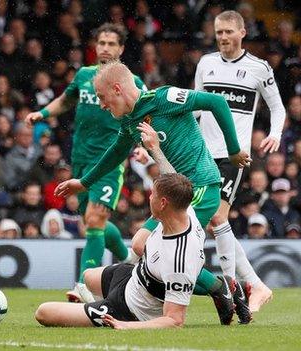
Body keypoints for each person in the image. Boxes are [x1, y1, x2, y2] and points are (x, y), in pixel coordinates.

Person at [54, 61, 252, 325]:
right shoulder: (129, 121)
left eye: (102, 97)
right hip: (173, 194)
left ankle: (219, 288)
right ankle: (221, 287)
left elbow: (216, 102)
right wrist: (85, 182)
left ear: (117, 89)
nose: (101, 105)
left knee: (142, 245)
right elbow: (116, 152)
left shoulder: (165, 98)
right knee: (144, 247)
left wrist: (233, 149)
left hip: (201, 187)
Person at [25, 23, 142, 302]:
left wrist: (142, 146)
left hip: (110, 161)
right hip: (81, 160)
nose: (105, 48)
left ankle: (85, 286)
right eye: (101, 42)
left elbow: (145, 112)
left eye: (111, 43)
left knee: (95, 219)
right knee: (92, 221)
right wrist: (42, 113)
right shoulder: (84, 75)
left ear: (121, 49)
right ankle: (129, 260)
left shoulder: (133, 82)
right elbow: (65, 102)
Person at [194, 10, 283, 312]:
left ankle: (231, 286)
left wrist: (275, 133)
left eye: (228, 32)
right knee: (215, 223)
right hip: (201, 154)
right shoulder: (205, 64)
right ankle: (254, 284)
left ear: (242, 32)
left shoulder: (259, 68)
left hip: (233, 155)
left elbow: (278, 108)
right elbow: (195, 105)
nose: (222, 37)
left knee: (217, 218)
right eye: (219, 32)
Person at [35, 173, 204, 329]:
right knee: (87, 277)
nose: (150, 197)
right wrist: (155, 149)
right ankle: (93, 307)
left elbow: (175, 321)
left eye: (153, 194)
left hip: (129, 310)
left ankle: (97, 310)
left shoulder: (179, 261)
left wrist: (126, 326)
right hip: (133, 278)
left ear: (163, 203)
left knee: (44, 312)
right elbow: (175, 179)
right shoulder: (185, 209)